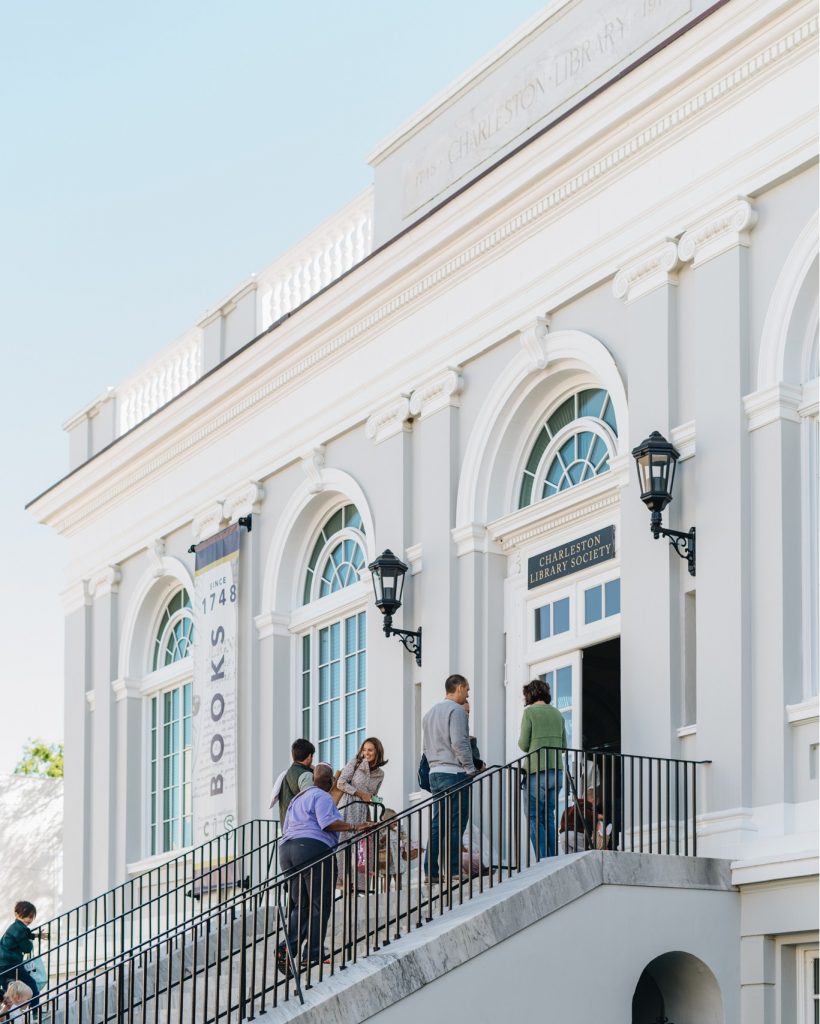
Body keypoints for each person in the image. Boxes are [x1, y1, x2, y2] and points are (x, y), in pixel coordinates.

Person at [276, 763, 373, 972]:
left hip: (287, 850)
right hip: (312, 848)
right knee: (320, 903)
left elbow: (285, 827)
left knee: (300, 904)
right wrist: (354, 826)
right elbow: (326, 822)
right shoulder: (322, 796)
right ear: (329, 782)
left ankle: (287, 947)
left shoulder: (296, 799)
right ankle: (312, 952)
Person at [422, 674, 476, 884]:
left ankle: (431, 871)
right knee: (456, 823)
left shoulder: (429, 714)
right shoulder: (457, 711)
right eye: (467, 689)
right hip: (454, 773)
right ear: (459, 687)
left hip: (435, 772)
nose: (468, 694)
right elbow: (459, 743)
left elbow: (425, 748)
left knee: (438, 824)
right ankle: (454, 869)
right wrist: (470, 769)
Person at [518, 678, 566, 859]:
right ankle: (552, 857)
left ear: (529, 694)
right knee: (549, 816)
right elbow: (563, 747)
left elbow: (523, 744)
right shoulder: (557, 714)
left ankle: (542, 858)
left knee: (533, 817)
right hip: (556, 772)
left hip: (536, 772)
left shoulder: (529, 713)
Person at [335, 737, 387, 885]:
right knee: (343, 845)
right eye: (364, 750)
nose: (366, 753)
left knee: (363, 849)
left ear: (377, 752)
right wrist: (359, 793)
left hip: (364, 811)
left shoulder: (380, 774)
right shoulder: (355, 763)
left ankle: (360, 885)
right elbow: (340, 783)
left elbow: (373, 792)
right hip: (348, 807)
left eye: (370, 750)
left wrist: (374, 799)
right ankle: (341, 880)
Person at [0, 903, 40, 1007]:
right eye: (25, 916)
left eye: (30, 917)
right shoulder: (21, 929)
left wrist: (34, 935)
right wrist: (30, 940)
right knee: (30, 983)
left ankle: (7, 1011)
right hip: (11, 963)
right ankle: (35, 1009)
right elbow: (27, 948)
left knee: (8, 988)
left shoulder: (14, 927)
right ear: (17, 914)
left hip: (2, 963)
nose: (28, 919)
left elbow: (19, 937)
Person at [275, 739, 315, 821]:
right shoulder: (306, 775)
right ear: (309, 756)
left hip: (289, 828)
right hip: (303, 828)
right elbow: (310, 805)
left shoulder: (287, 773)